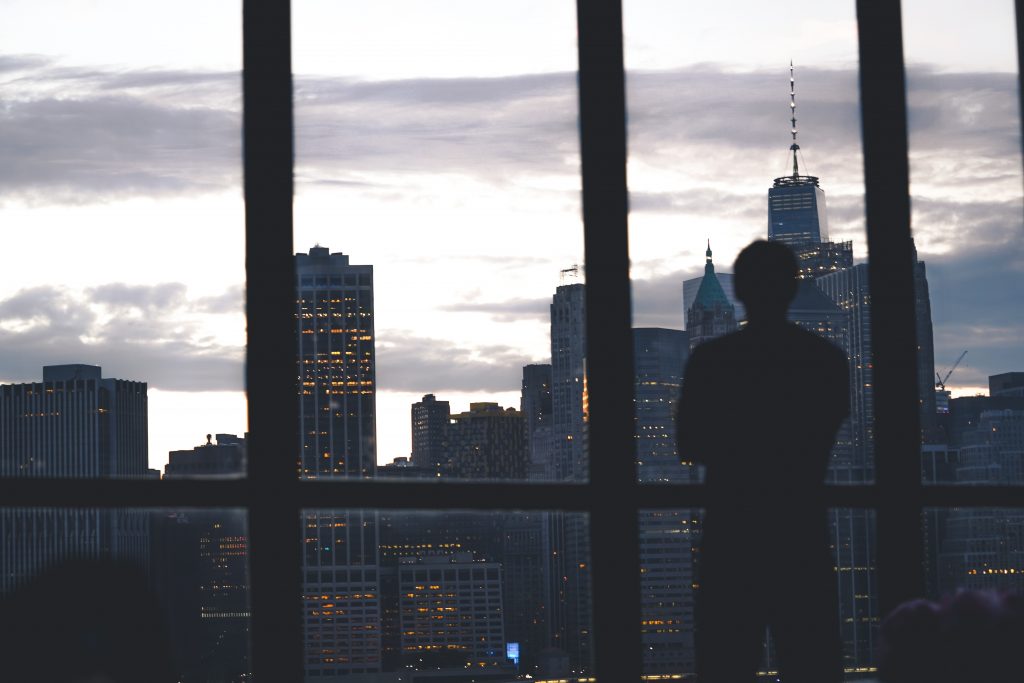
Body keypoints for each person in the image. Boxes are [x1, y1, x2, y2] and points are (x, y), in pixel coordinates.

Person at [677, 240, 848, 683]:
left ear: (742, 292)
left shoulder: (711, 361)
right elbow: (826, 434)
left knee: (725, 663)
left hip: (731, 534)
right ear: (793, 289)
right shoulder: (826, 361)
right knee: (812, 662)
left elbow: (689, 444)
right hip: (802, 534)